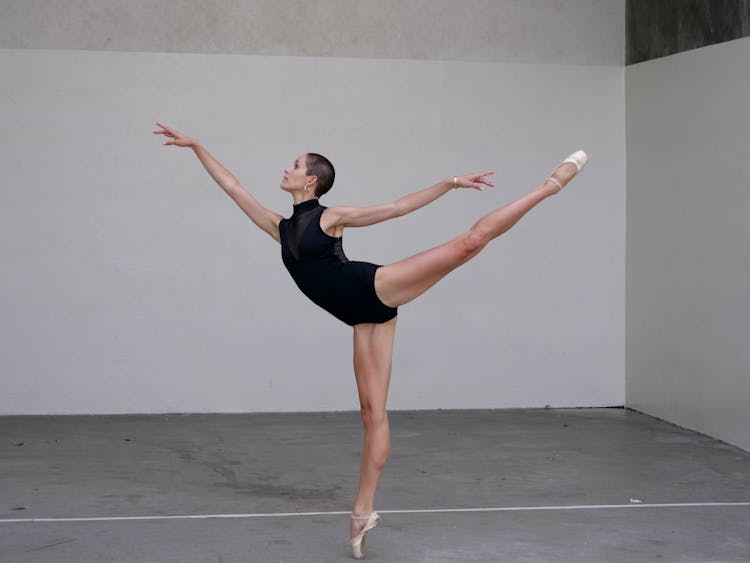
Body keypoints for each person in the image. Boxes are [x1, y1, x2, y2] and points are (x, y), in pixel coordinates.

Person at [154, 122, 587, 559]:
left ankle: (550, 186)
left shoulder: (330, 217)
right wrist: (196, 147)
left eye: (295, 164)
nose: (286, 168)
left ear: (311, 180)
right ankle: (363, 513)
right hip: (362, 320)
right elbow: (232, 186)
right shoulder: (278, 227)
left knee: (470, 243)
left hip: (373, 288)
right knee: (371, 414)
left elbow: (397, 207)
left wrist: (450, 183)